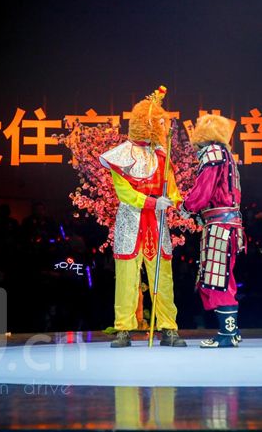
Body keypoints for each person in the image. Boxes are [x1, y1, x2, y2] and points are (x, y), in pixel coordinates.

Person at [99, 85, 186, 348]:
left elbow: (172, 188)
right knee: (127, 277)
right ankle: (123, 328)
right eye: (159, 122)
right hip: (131, 221)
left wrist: (178, 203)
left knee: (163, 277)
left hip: (157, 223)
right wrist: (151, 202)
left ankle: (168, 328)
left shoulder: (161, 155)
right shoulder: (120, 155)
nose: (163, 127)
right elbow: (124, 193)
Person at [179, 114, 245, 348]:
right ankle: (232, 332)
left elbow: (204, 189)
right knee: (224, 277)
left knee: (218, 279)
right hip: (228, 224)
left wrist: (186, 206)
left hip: (220, 226)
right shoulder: (226, 154)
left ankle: (227, 334)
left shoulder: (213, 153)